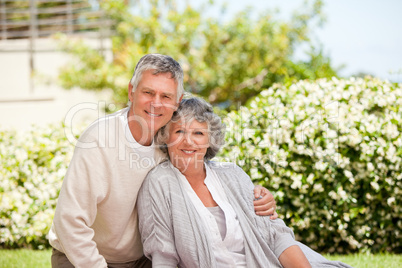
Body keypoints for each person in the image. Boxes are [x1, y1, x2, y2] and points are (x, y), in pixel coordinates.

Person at [48, 54, 277, 268]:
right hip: (83, 257)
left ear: (178, 101)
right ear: (131, 91)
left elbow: (204, 165)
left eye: (166, 96)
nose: (156, 103)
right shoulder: (100, 139)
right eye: (148, 92)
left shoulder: (170, 139)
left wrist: (252, 194)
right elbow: (70, 222)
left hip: (142, 260)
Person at [137, 97, 353, 268]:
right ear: (165, 136)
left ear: (210, 140)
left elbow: (275, 235)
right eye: (179, 131)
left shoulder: (232, 174)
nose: (188, 141)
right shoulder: (159, 183)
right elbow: (163, 256)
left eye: (199, 133)